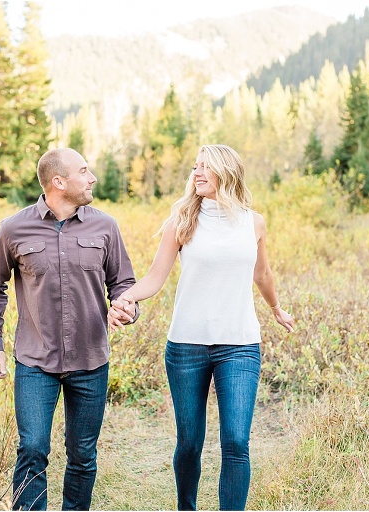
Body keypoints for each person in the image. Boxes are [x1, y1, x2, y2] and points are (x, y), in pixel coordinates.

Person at [108, 144, 295, 510]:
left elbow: (263, 273)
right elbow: (155, 277)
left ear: (226, 172)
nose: (196, 173)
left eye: (205, 167)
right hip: (186, 346)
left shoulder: (253, 222)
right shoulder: (182, 220)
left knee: (237, 442)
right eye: (195, 167)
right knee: (190, 441)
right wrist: (125, 298)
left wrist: (276, 308)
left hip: (240, 345)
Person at [0, 147, 139, 511]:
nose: (92, 178)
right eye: (84, 171)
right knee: (33, 447)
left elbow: (124, 285)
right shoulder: (14, 228)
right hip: (36, 363)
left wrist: (127, 308)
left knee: (83, 454)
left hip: (91, 360)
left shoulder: (105, 226)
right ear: (59, 181)